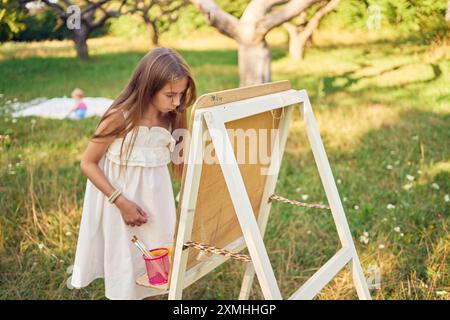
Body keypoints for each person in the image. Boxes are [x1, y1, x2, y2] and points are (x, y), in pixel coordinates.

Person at [70, 47, 197, 300]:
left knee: (157, 267)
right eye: (170, 95)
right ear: (148, 87)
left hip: (157, 205)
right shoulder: (120, 117)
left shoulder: (172, 116)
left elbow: (184, 162)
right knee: (128, 267)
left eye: (181, 95)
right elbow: (88, 163)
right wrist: (121, 202)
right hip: (121, 203)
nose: (177, 102)